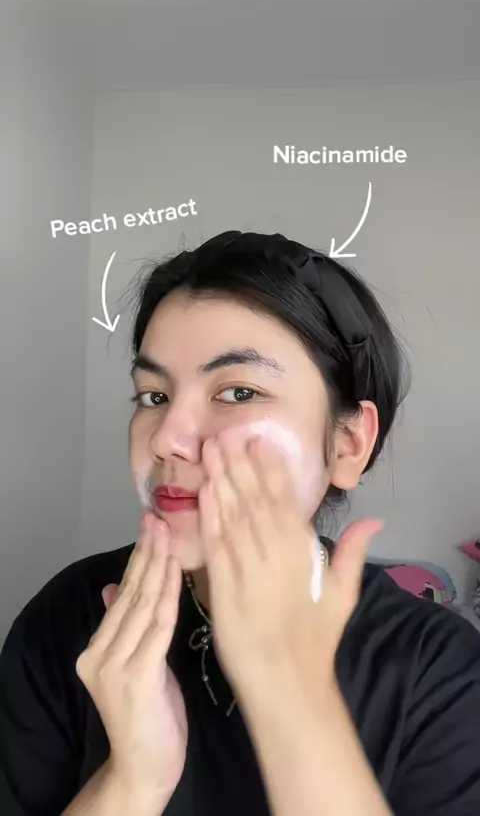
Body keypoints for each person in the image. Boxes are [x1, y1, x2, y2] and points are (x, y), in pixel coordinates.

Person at [1, 231, 479, 816]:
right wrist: (133, 780)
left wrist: (292, 700)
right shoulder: (69, 617)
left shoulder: (442, 669)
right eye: (153, 396)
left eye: (238, 392)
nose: (168, 439)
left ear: (348, 443)